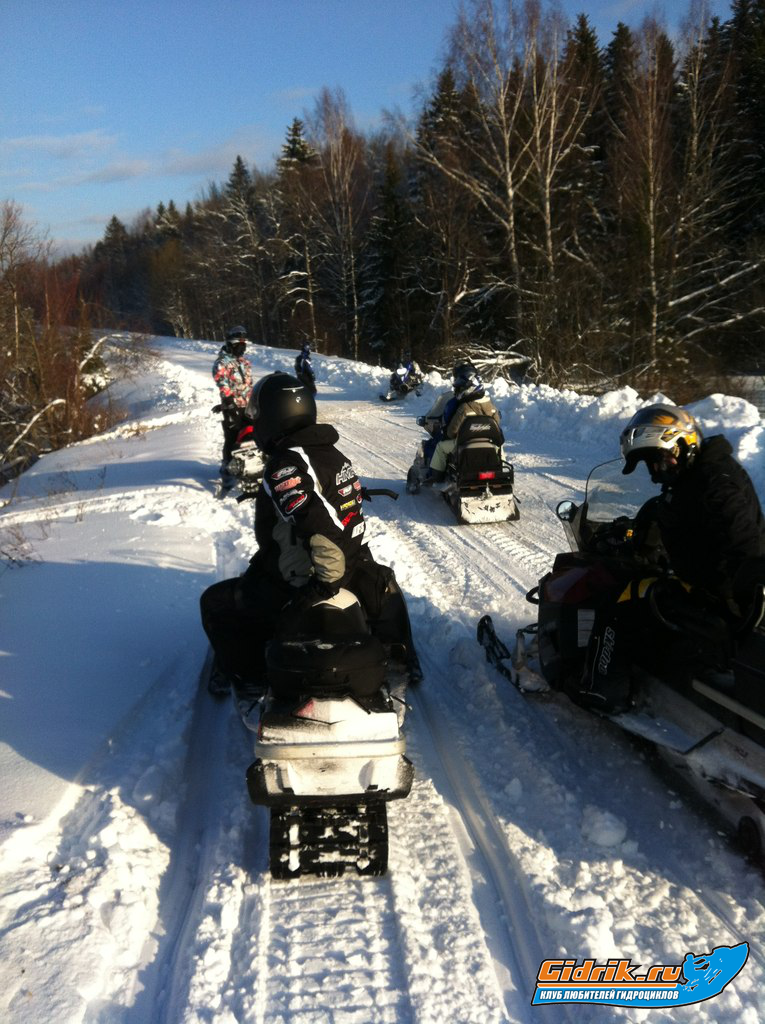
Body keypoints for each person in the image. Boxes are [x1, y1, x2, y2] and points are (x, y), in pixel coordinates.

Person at [200, 372, 417, 695]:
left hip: (308, 578)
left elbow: (317, 526)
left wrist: (321, 587)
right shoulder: (329, 453)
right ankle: (404, 661)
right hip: (355, 565)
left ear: (273, 416)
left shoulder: (286, 464)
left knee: (215, 602)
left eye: (258, 414)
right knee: (385, 586)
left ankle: (250, 679)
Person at [580, 403, 765, 711]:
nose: (656, 473)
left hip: (722, 596)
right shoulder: (694, 478)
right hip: (715, 584)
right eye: (650, 464)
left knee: (620, 598)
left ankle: (603, 690)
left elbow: (742, 539)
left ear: (683, 445)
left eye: (660, 460)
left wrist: (743, 598)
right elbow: (674, 512)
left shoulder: (716, 483)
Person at [426, 362, 502, 483]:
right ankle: (500, 470)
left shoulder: (464, 409)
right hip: (489, 445)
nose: (458, 391)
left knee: (440, 447)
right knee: (500, 447)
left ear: (468, 388)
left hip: (464, 445)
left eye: (460, 388)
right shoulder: (492, 407)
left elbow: (452, 432)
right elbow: (497, 426)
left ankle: (436, 477)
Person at [212, 326, 254, 483]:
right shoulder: (222, 363)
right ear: (230, 345)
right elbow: (223, 384)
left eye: (243, 345)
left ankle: (251, 464)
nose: (241, 349)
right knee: (232, 436)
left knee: (252, 434)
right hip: (232, 406)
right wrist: (228, 403)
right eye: (238, 345)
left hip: (249, 405)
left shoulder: (244, 362)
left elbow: (249, 384)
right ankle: (227, 466)